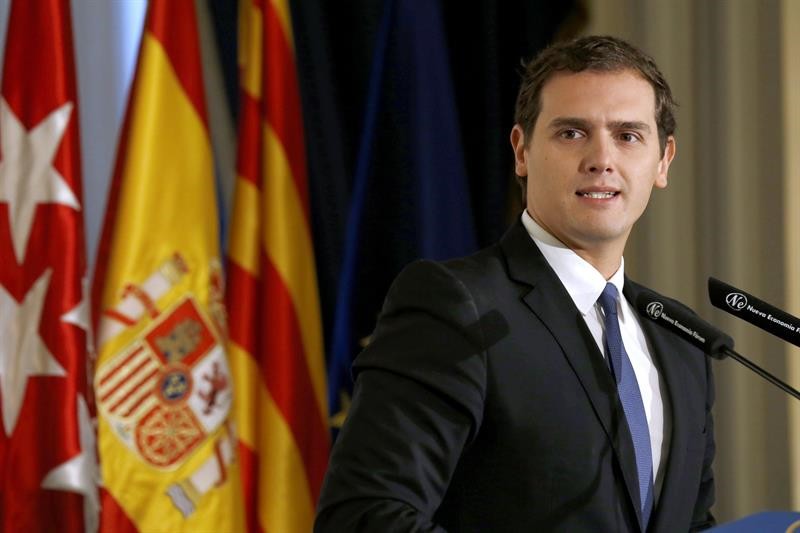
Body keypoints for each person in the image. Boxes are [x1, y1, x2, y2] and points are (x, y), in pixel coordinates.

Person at [315, 35, 715, 532]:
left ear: (663, 160)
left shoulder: (681, 340)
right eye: (572, 132)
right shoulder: (456, 305)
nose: (601, 158)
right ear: (522, 151)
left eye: (628, 135)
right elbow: (364, 516)